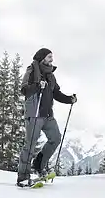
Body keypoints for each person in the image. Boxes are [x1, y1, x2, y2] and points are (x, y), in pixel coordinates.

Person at [17, 47, 77, 186]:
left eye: (52, 57)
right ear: (42, 58)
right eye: (49, 57)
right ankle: (23, 177)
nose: (52, 59)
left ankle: (38, 165)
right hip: (34, 114)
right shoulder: (31, 70)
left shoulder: (51, 75)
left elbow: (56, 93)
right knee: (30, 145)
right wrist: (38, 86)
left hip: (47, 114)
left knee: (55, 139)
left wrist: (69, 99)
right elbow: (24, 89)